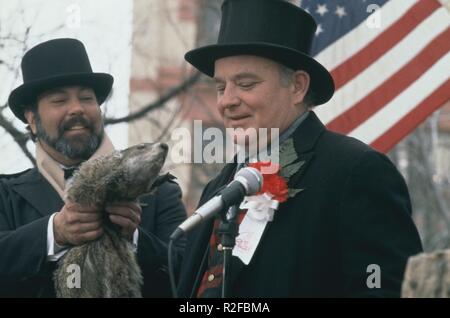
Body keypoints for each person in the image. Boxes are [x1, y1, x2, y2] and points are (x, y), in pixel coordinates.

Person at [177, 0, 423, 297]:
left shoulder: (355, 173)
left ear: (297, 86)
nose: (226, 100)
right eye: (220, 87)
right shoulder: (218, 188)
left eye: (245, 84)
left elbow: (384, 289)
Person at [0, 38, 186, 297]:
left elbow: (189, 273)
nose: (76, 109)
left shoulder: (159, 192)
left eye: (87, 98)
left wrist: (134, 238)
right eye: (59, 100)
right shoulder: (6, 195)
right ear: (32, 120)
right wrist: (54, 233)